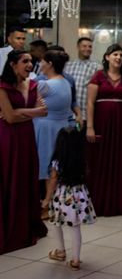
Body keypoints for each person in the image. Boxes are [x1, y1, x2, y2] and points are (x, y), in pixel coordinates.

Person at [0, 50, 48, 253]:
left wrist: (20, 112)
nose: (30, 64)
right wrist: (29, 113)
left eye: (31, 61)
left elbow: (43, 112)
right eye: (25, 61)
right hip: (7, 139)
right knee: (8, 177)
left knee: (25, 178)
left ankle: (25, 222)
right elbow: (9, 118)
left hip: (27, 138)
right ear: (13, 64)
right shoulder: (2, 86)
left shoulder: (34, 85)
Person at [86, 44, 122, 216]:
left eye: (121, 54)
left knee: (121, 161)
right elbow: (90, 103)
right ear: (107, 57)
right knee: (101, 161)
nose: (119, 57)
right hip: (101, 123)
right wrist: (90, 127)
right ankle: (98, 202)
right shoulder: (98, 76)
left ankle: (119, 203)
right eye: (115, 54)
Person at [43, 127, 96, 270]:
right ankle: (75, 260)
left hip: (62, 196)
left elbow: (53, 181)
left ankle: (60, 251)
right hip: (79, 195)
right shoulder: (81, 159)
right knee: (75, 228)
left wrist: (47, 198)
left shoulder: (57, 162)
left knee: (56, 223)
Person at [34, 50, 73, 182]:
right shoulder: (66, 82)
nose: (40, 64)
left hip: (45, 129)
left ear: (49, 64)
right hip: (60, 127)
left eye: (42, 61)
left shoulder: (45, 85)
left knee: (45, 164)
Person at [64, 37, 101, 124]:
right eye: (84, 46)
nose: (87, 49)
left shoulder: (97, 68)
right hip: (69, 115)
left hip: (86, 116)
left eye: (90, 47)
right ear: (78, 47)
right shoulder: (68, 66)